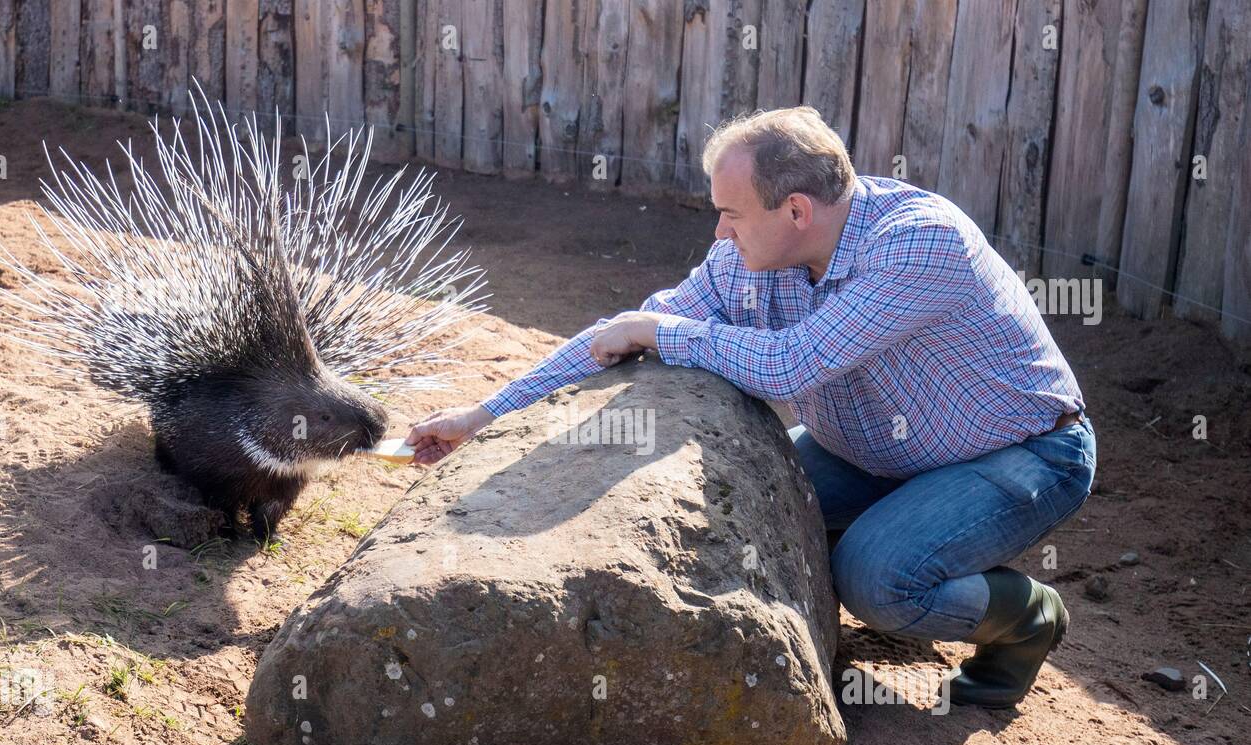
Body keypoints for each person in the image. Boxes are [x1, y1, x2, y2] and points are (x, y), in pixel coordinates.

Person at [404, 106, 1096, 711]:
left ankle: (1025, 620)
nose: (719, 236)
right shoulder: (751, 256)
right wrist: (483, 416)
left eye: (731, 214)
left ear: (796, 210)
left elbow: (792, 362)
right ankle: (904, 562)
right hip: (869, 450)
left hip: (1019, 452)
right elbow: (624, 331)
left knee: (876, 577)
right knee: (749, 512)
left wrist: (664, 332)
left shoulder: (919, 242)